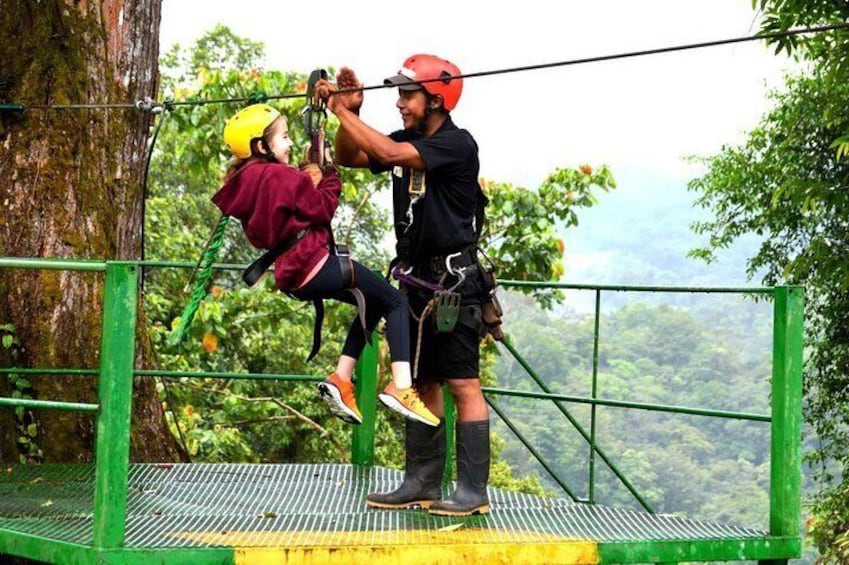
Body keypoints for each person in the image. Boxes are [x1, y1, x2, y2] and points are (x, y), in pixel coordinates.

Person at [317, 54, 491, 516]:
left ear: (436, 99)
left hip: (454, 283)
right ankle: (422, 482)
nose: (399, 103)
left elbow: (391, 155)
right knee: (423, 380)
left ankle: (473, 492)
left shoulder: (456, 144)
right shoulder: (408, 140)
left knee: (462, 384)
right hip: (417, 281)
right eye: (398, 94)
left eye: (408, 95)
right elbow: (352, 155)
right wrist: (349, 114)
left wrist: (338, 108)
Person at [210, 103, 439, 429]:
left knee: (372, 301)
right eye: (284, 137)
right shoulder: (277, 175)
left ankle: (341, 379)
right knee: (395, 300)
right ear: (262, 146)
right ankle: (401, 386)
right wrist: (329, 173)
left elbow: (289, 212)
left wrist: (306, 177)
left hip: (292, 274)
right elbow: (322, 207)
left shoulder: (251, 180)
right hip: (313, 263)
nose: (289, 144)